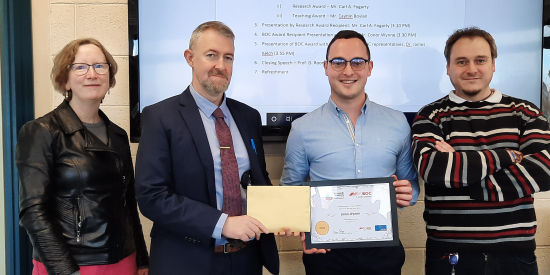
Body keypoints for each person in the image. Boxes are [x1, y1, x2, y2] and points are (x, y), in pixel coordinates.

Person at [134, 21, 279, 275]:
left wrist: (281, 217)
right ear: (190, 58)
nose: (221, 66)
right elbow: (151, 197)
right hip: (186, 263)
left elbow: (258, 182)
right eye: (211, 55)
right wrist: (223, 224)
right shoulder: (159, 117)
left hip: (246, 261)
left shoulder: (249, 117)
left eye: (228, 57)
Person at [411, 27, 550, 275]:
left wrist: (461, 173)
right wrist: (507, 156)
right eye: (461, 61)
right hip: (449, 255)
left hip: (515, 255)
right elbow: (433, 169)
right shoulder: (430, 116)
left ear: (493, 64)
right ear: (448, 68)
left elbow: (543, 170)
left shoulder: (525, 112)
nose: (471, 69)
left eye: (480, 60)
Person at [280, 30, 420, 275]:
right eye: (338, 62)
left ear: (369, 67)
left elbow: (412, 187)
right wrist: (302, 227)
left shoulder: (398, 122)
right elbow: (290, 192)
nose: (348, 71)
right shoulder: (302, 128)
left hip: (383, 250)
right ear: (326, 67)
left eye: (357, 62)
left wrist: (408, 192)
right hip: (326, 254)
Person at [16, 38, 149, 275]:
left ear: (109, 77)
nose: (92, 74)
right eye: (80, 67)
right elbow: (33, 212)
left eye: (100, 66)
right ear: (64, 80)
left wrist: (141, 260)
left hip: (123, 261)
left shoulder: (118, 136)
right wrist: (65, 270)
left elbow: (128, 203)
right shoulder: (41, 131)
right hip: (70, 265)